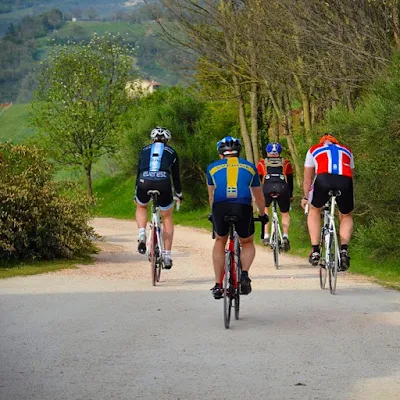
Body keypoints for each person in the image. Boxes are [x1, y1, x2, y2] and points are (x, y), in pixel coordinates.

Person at [206, 136, 268, 299]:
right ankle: (244, 274)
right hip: (242, 205)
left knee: (220, 240)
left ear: (221, 154)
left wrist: (213, 214)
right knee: (246, 242)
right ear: (238, 153)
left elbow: (211, 197)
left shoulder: (212, 167)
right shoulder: (250, 167)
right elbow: (259, 197)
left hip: (221, 205)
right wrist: (262, 215)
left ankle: (218, 285)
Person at [301, 134, 354, 271]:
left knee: (314, 209)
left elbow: (308, 179)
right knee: (346, 214)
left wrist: (306, 198)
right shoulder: (347, 150)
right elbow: (350, 174)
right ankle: (343, 251)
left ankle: (315, 251)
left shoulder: (314, 149)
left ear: (322, 142)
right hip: (344, 181)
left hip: (323, 179)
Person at [134, 127, 183, 269]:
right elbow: (176, 177)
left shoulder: (144, 150)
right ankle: (167, 255)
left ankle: (142, 233)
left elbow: (139, 171)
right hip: (163, 181)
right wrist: (179, 194)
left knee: (141, 206)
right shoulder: (172, 152)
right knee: (167, 216)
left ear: (152, 139)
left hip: (144, 180)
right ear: (167, 141)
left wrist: (136, 190)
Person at [257, 142, 294, 251]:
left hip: (267, 188)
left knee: (265, 210)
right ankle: (285, 236)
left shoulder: (262, 162)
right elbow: (290, 181)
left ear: (267, 152)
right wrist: (290, 195)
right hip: (282, 188)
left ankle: (266, 235)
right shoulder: (286, 162)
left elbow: (259, 179)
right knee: (285, 213)